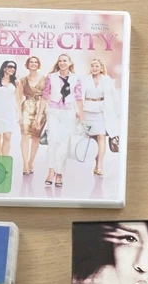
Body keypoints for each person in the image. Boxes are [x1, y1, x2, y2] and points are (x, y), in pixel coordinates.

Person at [40, 53, 86, 188]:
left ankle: (59, 173)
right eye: (60, 61)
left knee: (65, 144)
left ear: (70, 63)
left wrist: (82, 117)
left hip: (69, 112)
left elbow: (79, 99)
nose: (62, 63)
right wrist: (38, 116)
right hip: (53, 111)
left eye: (65, 60)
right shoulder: (51, 77)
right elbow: (45, 96)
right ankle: (50, 171)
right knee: (53, 141)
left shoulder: (76, 78)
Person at [82, 58, 119, 177]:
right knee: (93, 139)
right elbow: (79, 96)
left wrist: (117, 113)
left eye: (97, 66)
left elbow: (115, 97)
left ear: (101, 68)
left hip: (103, 111)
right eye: (92, 66)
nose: (94, 68)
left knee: (101, 136)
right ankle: (96, 162)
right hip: (88, 111)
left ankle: (99, 165)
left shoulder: (107, 80)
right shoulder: (85, 80)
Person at [16, 55, 46, 175]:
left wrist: (42, 112)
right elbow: (19, 98)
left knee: (35, 137)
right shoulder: (22, 80)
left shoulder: (44, 79)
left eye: (35, 62)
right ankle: (24, 164)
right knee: (25, 136)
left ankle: (31, 162)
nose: (33, 64)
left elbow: (46, 96)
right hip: (27, 108)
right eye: (31, 62)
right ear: (27, 65)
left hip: (40, 109)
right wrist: (19, 114)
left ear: (38, 65)